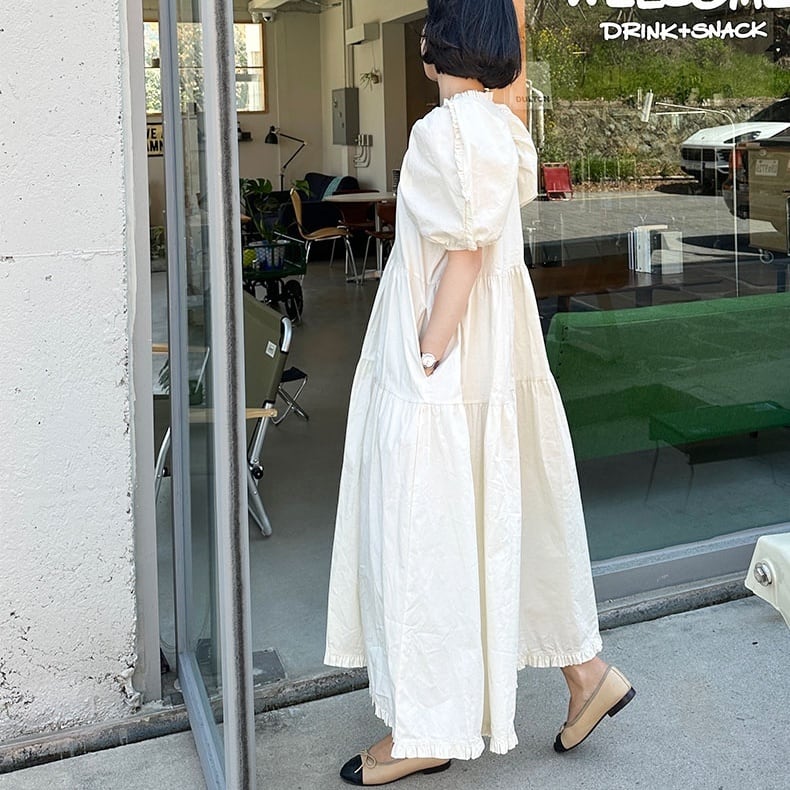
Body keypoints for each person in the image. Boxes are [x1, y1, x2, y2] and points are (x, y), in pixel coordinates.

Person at [324, 0, 635, 784]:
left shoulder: (443, 131)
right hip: (496, 346)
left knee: (429, 526)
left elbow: (461, 253)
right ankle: (586, 675)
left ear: (439, 47)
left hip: (451, 349)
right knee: (505, 508)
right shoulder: (501, 127)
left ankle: (429, 728)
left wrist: (427, 353)